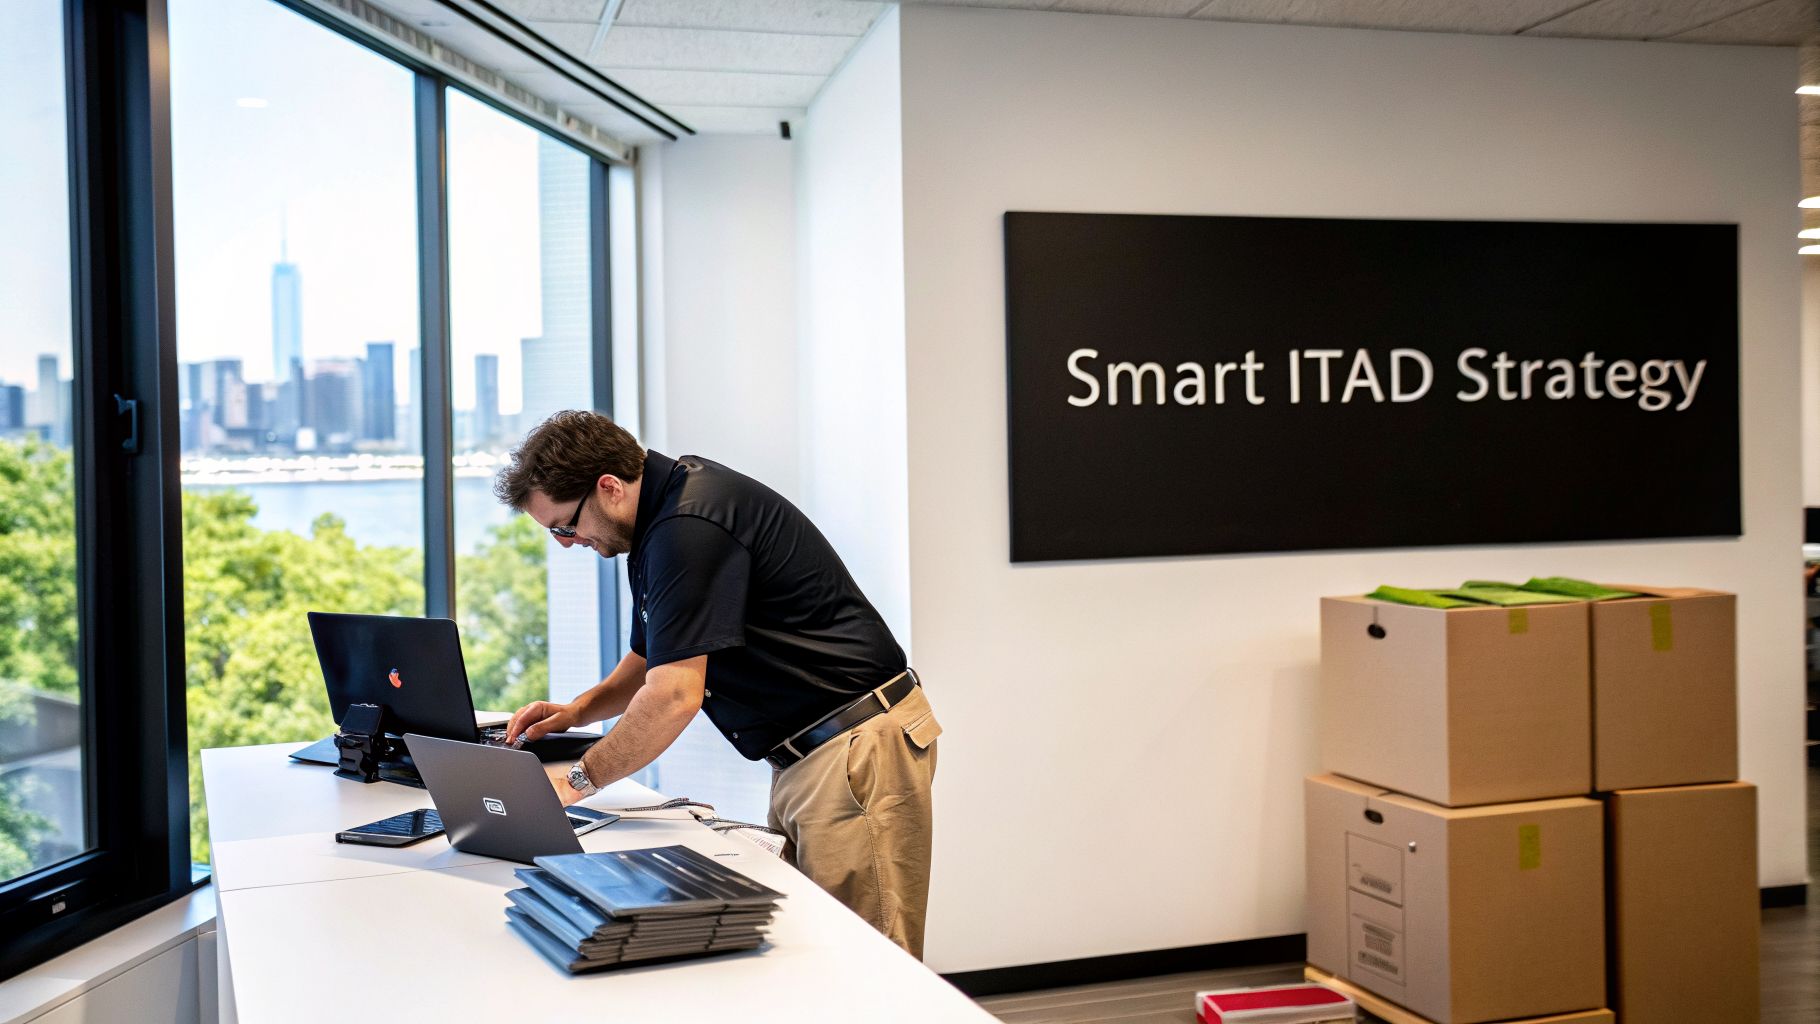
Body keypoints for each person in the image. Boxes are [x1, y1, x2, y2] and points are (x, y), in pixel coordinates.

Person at [497, 410, 942, 959]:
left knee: (871, 960)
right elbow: (653, 656)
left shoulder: (689, 527)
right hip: (815, 755)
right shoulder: (662, 521)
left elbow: (674, 695)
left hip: (856, 748)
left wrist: (576, 784)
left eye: (565, 526)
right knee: (819, 949)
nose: (567, 543)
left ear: (608, 488)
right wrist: (576, 711)